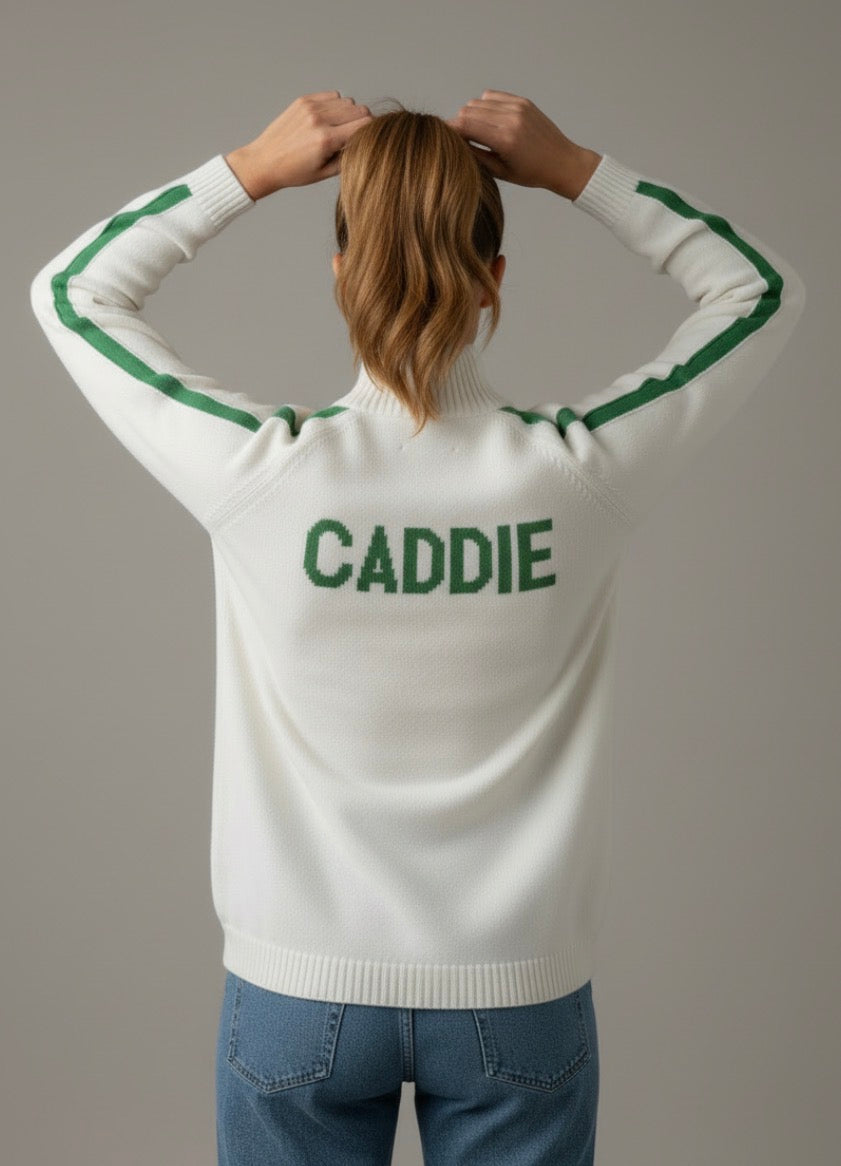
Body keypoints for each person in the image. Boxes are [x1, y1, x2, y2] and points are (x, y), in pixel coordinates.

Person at [30, 89, 806, 1165]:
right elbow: (757, 290)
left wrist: (248, 169)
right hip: (517, 991)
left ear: (340, 272)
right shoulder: (577, 471)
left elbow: (72, 291)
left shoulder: (262, 472)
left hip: (297, 987)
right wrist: (576, 169)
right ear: (495, 277)